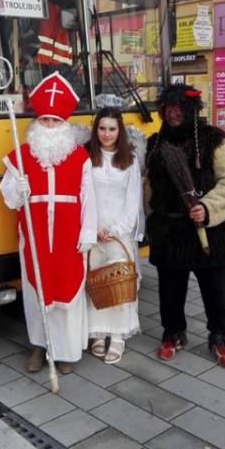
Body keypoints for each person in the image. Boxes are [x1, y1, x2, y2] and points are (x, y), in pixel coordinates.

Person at [0, 72, 97, 375]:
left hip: (69, 236)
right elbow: (9, 197)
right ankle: (39, 346)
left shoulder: (79, 157)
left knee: (68, 290)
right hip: (36, 236)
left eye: (55, 121)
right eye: (45, 121)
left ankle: (66, 351)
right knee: (36, 290)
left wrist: (88, 233)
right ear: (37, 123)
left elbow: (89, 198)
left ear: (64, 124)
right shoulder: (22, 156)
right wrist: (19, 189)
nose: (50, 126)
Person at [145, 83, 225, 368]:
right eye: (168, 107)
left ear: (191, 109)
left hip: (208, 231)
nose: (173, 113)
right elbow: (147, 184)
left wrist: (208, 207)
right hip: (168, 230)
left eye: (179, 107)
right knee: (170, 290)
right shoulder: (155, 144)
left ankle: (220, 337)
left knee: (214, 289)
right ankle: (173, 333)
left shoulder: (214, 140)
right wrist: (150, 217)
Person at [84, 107, 144, 364]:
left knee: (120, 282)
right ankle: (97, 332)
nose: (106, 134)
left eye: (112, 129)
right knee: (95, 281)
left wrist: (117, 229)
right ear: (95, 129)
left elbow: (134, 200)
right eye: (102, 128)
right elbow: (83, 194)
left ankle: (118, 336)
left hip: (120, 232)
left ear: (119, 131)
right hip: (93, 230)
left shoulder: (130, 159)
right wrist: (94, 227)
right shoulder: (86, 156)